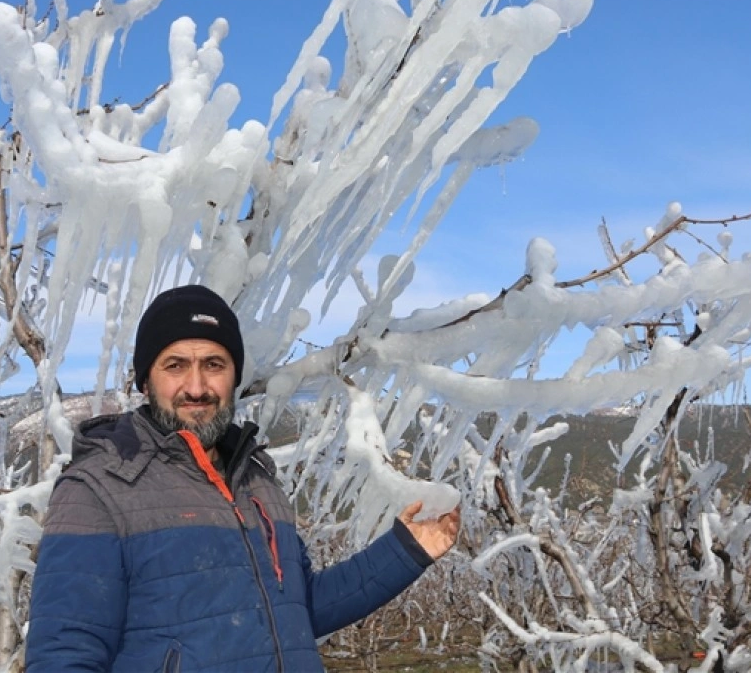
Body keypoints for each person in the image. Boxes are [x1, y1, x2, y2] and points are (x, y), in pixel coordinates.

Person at [24, 284, 461, 672]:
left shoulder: (257, 482)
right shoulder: (97, 489)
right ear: (145, 380)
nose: (196, 387)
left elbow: (299, 608)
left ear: (234, 376)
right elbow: (65, 656)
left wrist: (405, 551)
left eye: (214, 364)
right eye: (175, 365)